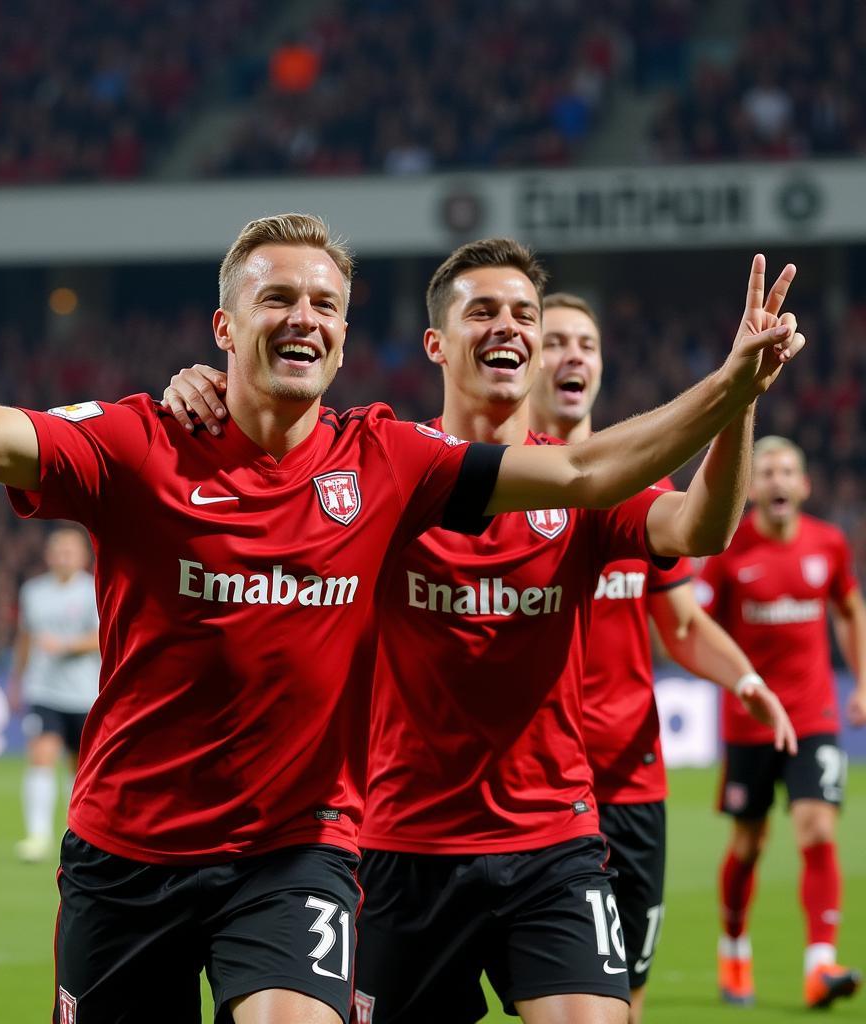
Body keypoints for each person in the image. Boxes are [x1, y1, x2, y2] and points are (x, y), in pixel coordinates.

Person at [164, 238, 798, 1024]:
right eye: (484, 312)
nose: (510, 328)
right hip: (400, 849)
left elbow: (701, 528)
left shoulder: (582, 477)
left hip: (551, 840)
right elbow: (275, 444)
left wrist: (740, 399)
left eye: (524, 315)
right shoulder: (383, 471)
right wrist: (202, 388)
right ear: (436, 342)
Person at [528, 292, 796, 1024]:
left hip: (628, 785)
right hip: (529, 790)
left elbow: (680, 626)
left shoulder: (643, 492)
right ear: (523, 360)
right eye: (554, 341)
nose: (572, 354)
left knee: (623, 1002)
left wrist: (745, 678)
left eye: (586, 342)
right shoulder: (492, 485)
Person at [698, 435, 866, 1010]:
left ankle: (820, 967)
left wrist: (863, 681)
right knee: (748, 843)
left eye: (786, 471)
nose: (776, 480)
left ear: (803, 486)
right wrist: (732, 684)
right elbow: (697, 628)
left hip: (815, 713)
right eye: (765, 471)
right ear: (752, 487)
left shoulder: (829, 544)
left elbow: (849, 608)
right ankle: (734, 946)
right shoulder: (729, 551)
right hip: (749, 724)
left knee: (818, 828)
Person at [7, 527, 100, 863]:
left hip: (85, 693)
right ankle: (37, 835)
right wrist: (16, 681)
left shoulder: (94, 591)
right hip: (43, 689)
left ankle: (75, 831)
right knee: (41, 755)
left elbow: (104, 638)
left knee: (79, 768)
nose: (63, 556)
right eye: (58, 550)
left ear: (83, 556)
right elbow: (25, 638)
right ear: (48, 555)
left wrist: (65, 646)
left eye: (69, 550)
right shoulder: (33, 591)